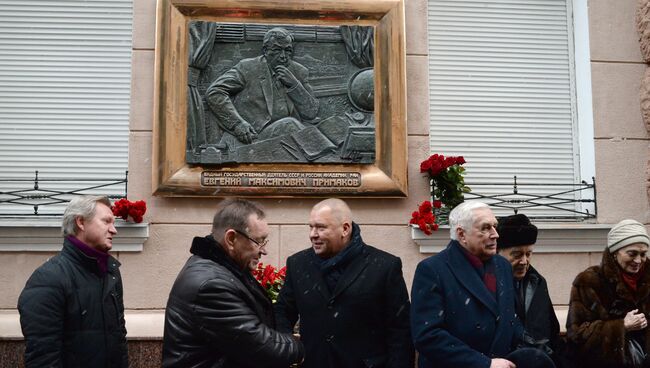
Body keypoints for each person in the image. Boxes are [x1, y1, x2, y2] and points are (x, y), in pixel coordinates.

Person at [411, 201, 555, 368]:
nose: (495, 234)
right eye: (486, 228)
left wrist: (532, 347)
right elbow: (428, 336)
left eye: (495, 226)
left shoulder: (503, 266)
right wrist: (483, 363)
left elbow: (509, 319)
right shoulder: (432, 270)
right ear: (462, 234)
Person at [162, 198, 303, 367]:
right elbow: (261, 347)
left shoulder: (221, 268)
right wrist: (303, 347)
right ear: (231, 239)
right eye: (259, 241)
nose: (264, 250)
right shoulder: (211, 285)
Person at [274, 198, 414, 368]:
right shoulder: (298, 263)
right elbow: (282, 312)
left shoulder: (385, 266)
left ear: (345, 229)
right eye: (311, 227)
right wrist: (288, 349)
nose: (313, 234)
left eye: (321, 227)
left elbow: (399, 330)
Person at [17, 195, 128, 367]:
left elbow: (119, 338)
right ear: (81, 222)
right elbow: (43, 359)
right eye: (106, 221)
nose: (114, 230)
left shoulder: (110, 272)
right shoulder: (48, 279)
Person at [206, 27, 319, 146]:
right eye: (277, 50)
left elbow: (311, 112)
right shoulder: (248, 67)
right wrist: (237, 124)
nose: (283, 56)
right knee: (290, 124)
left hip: (287, 139)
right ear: (265, 50)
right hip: (254, 137)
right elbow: (215, 92)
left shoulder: (299, 71)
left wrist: (295, 85)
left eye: (288, 50)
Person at [567, 219, 650, 368]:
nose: (638, 260)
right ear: (614, 253)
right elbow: (577, 337)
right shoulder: (589, 282)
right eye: (632, 254)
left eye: (643, 254)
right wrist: (621, 326)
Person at [497, 214, 564, 365]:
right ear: (498, 252)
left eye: (528, 254)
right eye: (517, 254)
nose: (524, 261)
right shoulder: (487, 284)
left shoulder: (538, 282)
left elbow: (551, 331)